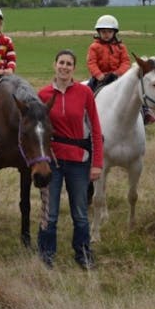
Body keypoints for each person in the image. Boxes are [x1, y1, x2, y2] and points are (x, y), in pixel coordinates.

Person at [37, 49, 103, 270]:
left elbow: (95, 130)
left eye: (69, 64)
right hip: (53, 161)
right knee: (50, 212)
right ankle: (46, 254)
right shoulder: (43, 95)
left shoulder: (84, 93)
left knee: (81, 213)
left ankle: (83, 253)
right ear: (54, 65)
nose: (64, 67)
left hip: (79, 161)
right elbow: (36, 132)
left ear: (74, 69)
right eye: (61, 63)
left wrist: (96, 163)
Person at [86, 14, 155, 124]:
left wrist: (117, 73)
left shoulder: (121, 46)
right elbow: (91, 62)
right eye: (103, 32)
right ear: (99, 32)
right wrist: (99, 75)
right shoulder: (94, 47)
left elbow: (126, 62)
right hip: (100, 77)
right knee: (88, 91)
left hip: (117, 77)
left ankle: (145, 111)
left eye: (109, 32)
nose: (106, 34)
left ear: (114, 32)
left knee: (135, 90)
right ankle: (84, 113)